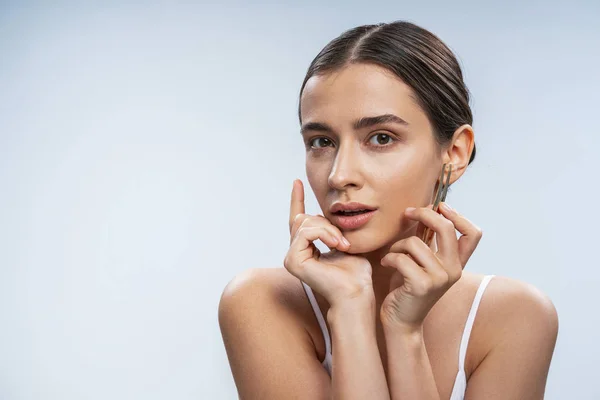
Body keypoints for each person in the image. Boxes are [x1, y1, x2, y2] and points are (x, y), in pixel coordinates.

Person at [219, 20, 558, 399]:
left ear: (454, 153)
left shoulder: (516, 317)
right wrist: (348, 309)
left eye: (381, 138)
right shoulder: (261, 302)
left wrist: (405, 333)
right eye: (321, 141)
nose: (340, 175)